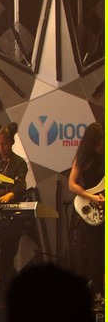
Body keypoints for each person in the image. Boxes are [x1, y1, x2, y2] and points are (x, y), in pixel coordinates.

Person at [0, 123, 34, 296]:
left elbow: (21, 186)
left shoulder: (19, 163)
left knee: (8, 252)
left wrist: (10, 195)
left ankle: (4, 288)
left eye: (3, 144)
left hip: (10, 214)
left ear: (11, 143)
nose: (0, 148)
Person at [67, 121, 104, 301]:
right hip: (93, 207)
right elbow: (72, 184)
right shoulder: (84, 157)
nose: (101, 146)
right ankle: (99, 291)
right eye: (98, 143)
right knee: (97, 250)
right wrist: (92, 197)